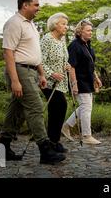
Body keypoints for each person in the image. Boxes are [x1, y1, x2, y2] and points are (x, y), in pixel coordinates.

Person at [0, 0, 66, 164]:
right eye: (36, 5)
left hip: (32, 70)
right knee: (36, 107)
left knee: (16, 110)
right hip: (20, 70)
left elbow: (35, 53)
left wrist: (42, 73)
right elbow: (8, 53)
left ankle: (3, 148)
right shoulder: (14, 23)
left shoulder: (31, 25)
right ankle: (45, 151)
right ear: (25, 5)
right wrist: (15, 80)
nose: (39, 8)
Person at [61, 20, 102, 145]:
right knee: (86, 107)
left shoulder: (87, 45)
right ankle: (86, 135)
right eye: (88, 30)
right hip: (79, 80)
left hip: (88, 80)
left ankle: (66, 126)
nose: (91, 32)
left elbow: (91, 64)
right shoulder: (74, 45)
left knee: (85, 106)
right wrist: (74, 84)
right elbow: (71, 66)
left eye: (91, 30)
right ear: (80, 31)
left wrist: (96, 78)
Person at [40, 12, 71, 153]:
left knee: (59, 109)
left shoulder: (62, 40)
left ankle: (54, 141)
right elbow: (39, 61)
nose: (66, 27)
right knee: (58, 107)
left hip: (61, 82)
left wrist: (67, 65)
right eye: (63, 24)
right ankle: (52, 141)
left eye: (66, 24)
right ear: (54, 25)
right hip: (48, 81)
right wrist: (52, 73)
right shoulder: (47, 39)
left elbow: (64, 58)